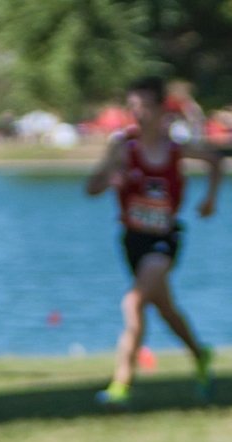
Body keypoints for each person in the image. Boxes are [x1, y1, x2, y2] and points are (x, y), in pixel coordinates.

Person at [86, 76, 222, 406]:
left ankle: (122, 383)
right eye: (133, 106)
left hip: (164, 240)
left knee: (133, 303)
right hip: (132, 241)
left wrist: (210, 200)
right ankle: (200, 354)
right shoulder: (123, 147)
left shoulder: (175, 149)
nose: (138, 113)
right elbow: (91, 188)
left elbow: (215, 161)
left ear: (161, 109)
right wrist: (109, 178)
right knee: (165, 309)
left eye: (145, 106)